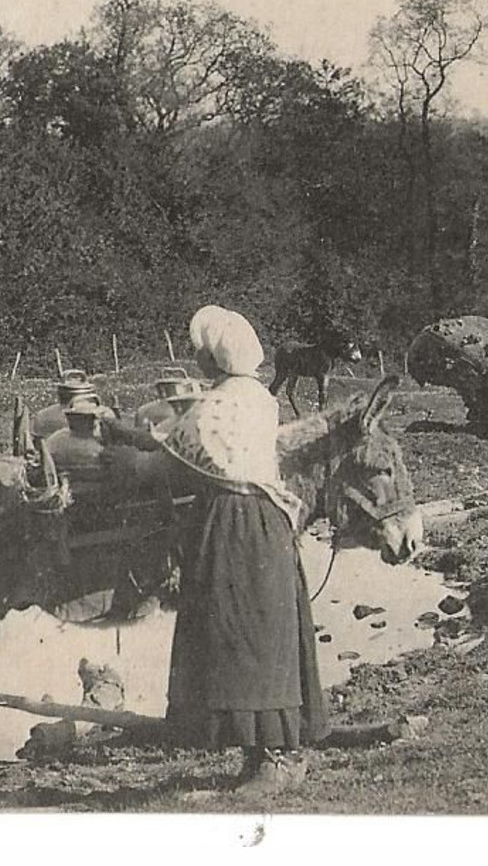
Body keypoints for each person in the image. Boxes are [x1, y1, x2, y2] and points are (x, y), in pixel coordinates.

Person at [156, 304, 330, 794]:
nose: (198, 362)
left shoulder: (217, 406)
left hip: (234, 524)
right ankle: (266, 754)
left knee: (238, 630)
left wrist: (140, 440)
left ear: (216, 358)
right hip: (267, 523)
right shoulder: (259, 397)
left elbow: (177, 458)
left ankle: (273, 760)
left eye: (202, 355)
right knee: (264, 630)